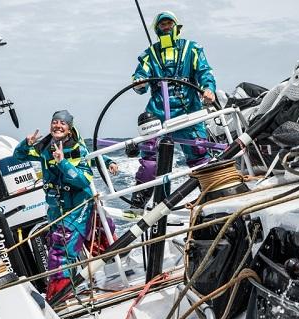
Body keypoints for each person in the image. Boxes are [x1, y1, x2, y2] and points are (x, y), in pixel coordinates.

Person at [13, 110, 117, 300]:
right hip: (56, 209)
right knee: (61, 244)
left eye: (62, 123)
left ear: (69, 129)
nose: (58, 125)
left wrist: (63, 163)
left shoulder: (78, 149)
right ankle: (85, 279)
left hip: (78, 206)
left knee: (61, 250)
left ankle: (59, 296)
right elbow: (19, 156)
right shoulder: (44, 147)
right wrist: (25, 144)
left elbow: (83, 180)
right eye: (55, 122)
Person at [130, 10, 217, 207]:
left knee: (200, 152)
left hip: (188, 111)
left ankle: (210, 196)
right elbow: (139, 80)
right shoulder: (149, 55)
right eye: (162, 24)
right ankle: (140, 201)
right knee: (150, 155)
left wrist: (208, 89)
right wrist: (139, 83)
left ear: (176, 27)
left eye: (169, 23)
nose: (166, 27)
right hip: (159, 111)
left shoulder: (191, 49)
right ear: (157, 29)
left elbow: (204, 72)